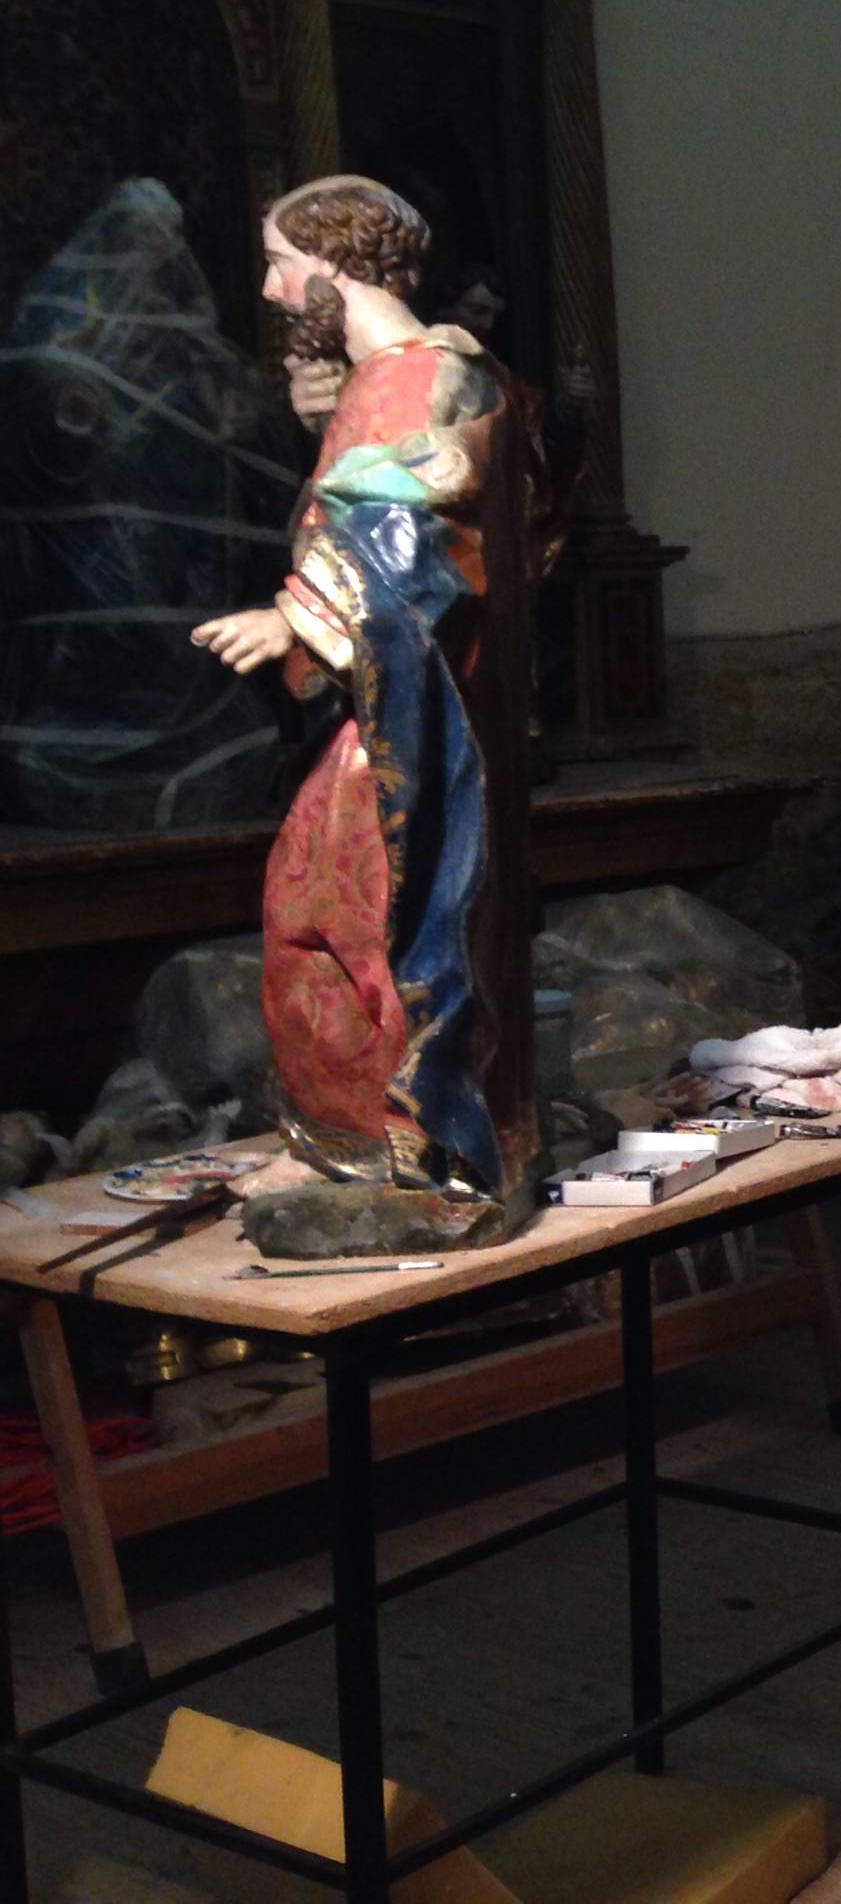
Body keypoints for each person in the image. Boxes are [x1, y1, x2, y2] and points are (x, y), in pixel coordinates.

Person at [191, 176, 522, 1205]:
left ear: (336, 264)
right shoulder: (401, 376)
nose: (272, 289)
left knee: (350, 909)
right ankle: (363, 1140)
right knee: (326, 901)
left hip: (417, 714)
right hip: (389, 695)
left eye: (282, 264)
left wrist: (299, 618)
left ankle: (403, 1147)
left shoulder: (415, 377)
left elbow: (412, 532)